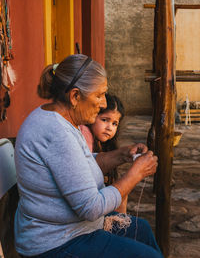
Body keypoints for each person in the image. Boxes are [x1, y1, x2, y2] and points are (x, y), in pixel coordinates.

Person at [14, 54, 163, 258]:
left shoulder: (60, 119)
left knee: (142, 230)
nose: (103, 103)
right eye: (99, 95)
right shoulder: (56, 132)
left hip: (73, 230)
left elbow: (77, 167)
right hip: (55, 243)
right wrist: (135, 175)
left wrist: (121, 155)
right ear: (75, 96)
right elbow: (91, 208)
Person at [80, 93, 128, 213]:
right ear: (93, 116)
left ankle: (119, 223)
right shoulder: (85, 134)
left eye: (114, 123)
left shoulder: (106, 144)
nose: (109, 128)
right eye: (104, 120)